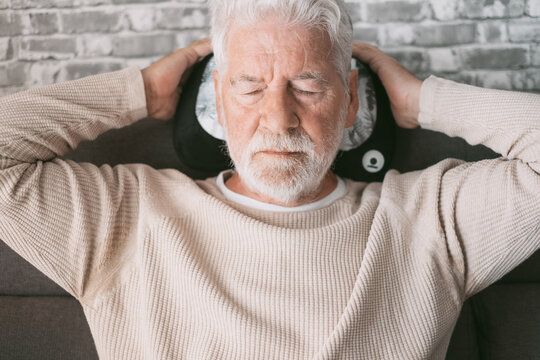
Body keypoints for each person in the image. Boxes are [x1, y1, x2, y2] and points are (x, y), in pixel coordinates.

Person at [0, 0, 538, 358]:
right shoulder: (127, 214)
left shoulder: (431, 217)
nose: (279, 119)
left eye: (308, 87)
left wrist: (424, 101)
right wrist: (140, 92)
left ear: (351, 99)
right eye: (251, 87)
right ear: (217, 96)